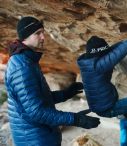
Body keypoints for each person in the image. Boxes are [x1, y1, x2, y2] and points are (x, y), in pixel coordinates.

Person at [4, 16, 100, 146]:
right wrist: (75, 119)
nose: (43, 37)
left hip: (40, 136)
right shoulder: (22, 67)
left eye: (42, 32)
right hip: (34, 139)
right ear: (25, 36)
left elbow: (40, 99)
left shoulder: (27, 60)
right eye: (37, 33)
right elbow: (36, 112)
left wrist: (66, 93)